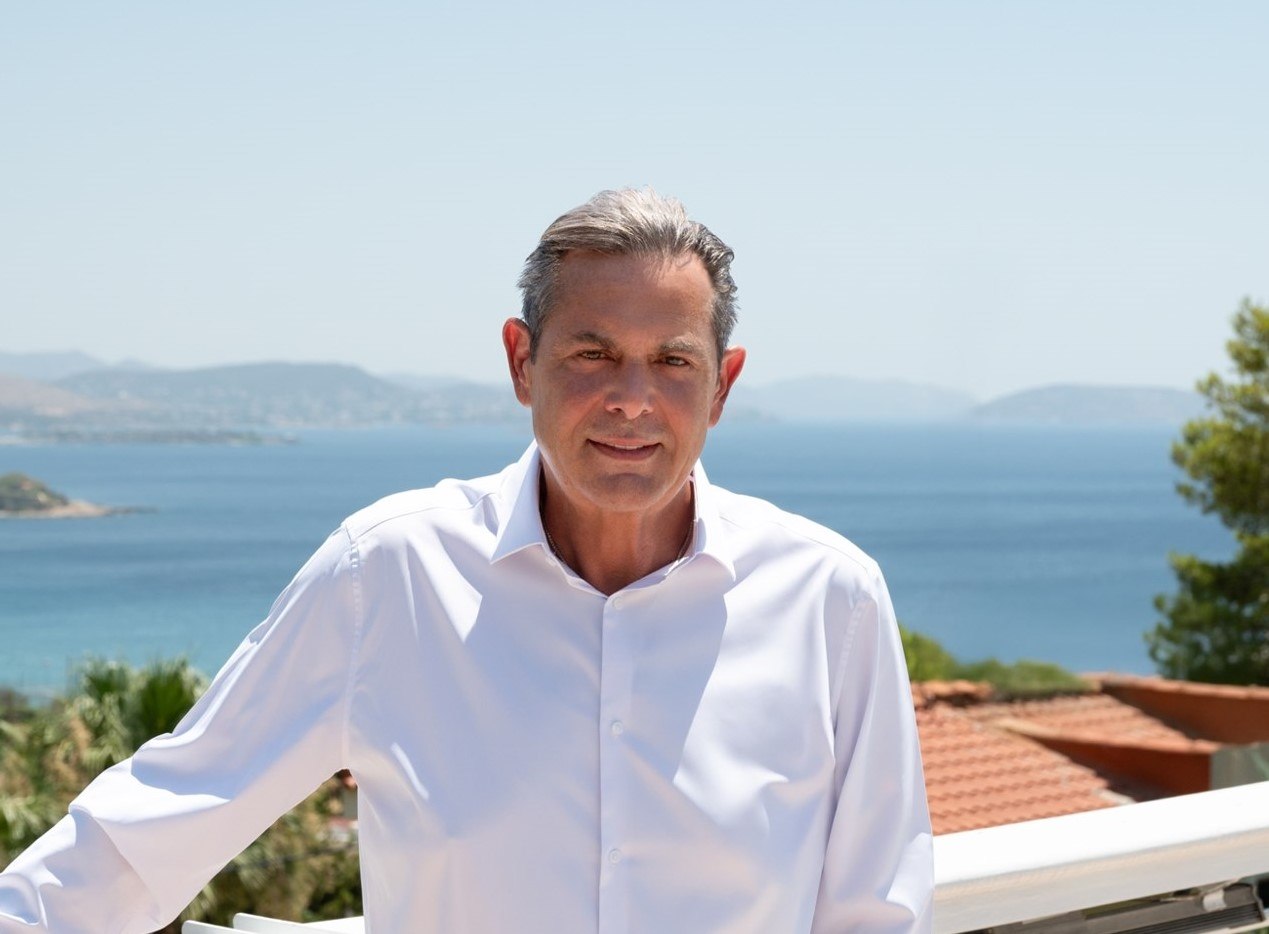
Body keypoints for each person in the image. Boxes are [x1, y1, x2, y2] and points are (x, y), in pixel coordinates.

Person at [0, 188, 932, 932]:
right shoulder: (385, 574)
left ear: (722, 384)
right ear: (522, 362)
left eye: (672, 362)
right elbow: (160, 822)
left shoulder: (831, 599)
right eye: (593, 354)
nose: (630, 399)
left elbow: (875, 912)